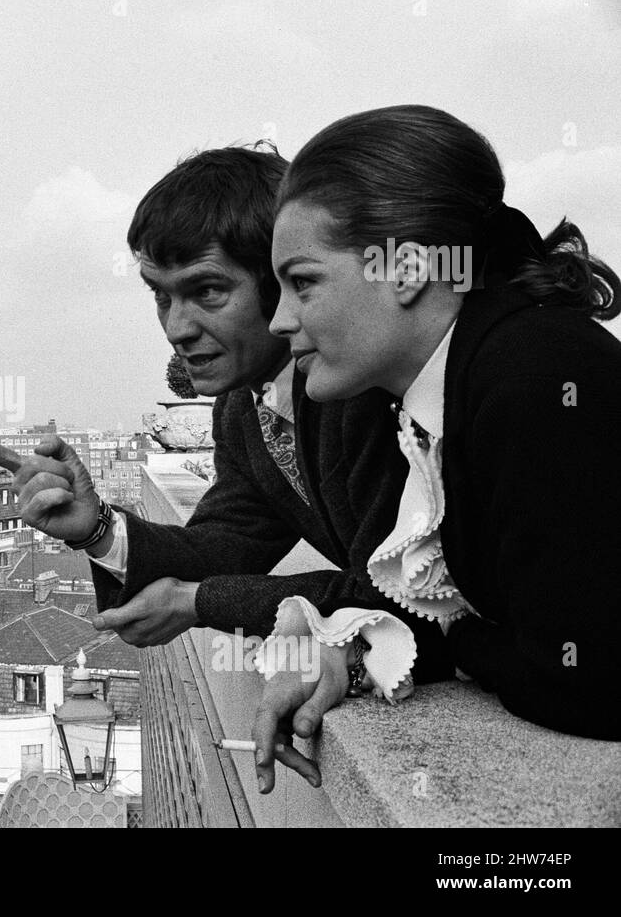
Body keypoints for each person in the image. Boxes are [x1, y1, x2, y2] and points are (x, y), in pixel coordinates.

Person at [0, 145, 453, 787]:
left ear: (280, 281)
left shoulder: (357, 389)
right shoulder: (242, 407)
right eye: (161, 297)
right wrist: (99, 530)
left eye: (207, 291)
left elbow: (384, 593)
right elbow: (229, 542)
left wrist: (200, 602)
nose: (176, 327)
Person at [253, 105, 621, 771]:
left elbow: (583, 679)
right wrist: (348, 656)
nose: (280, 319)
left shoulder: (529, 381)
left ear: (409, 268)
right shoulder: (484, 371)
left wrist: (469, 639)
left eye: (303, 281)